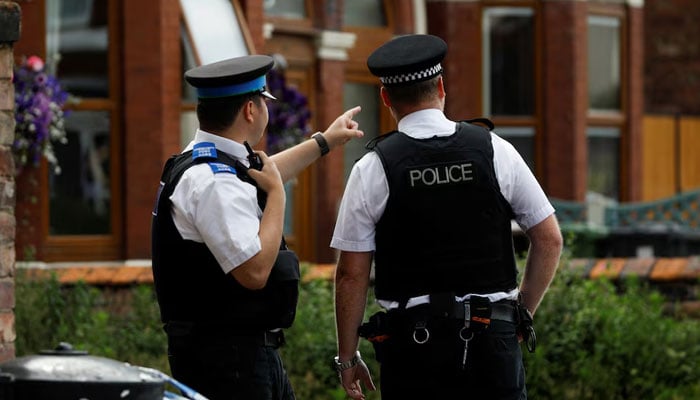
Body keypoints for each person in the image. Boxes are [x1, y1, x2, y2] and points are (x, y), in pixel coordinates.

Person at [331, 34, 563, 400]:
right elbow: (549, 239)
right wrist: (522, 313)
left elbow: (351, 274)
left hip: (413, 351)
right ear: (441, 87)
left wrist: (347, 359)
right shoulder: (495, 150)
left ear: (386, 97)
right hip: (493, 343)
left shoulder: (372, 168)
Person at [151, 54, 363, 400]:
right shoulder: (213, 183)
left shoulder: (207, 160)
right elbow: (254, 270)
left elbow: (259, 175)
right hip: (230, 361)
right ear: (250, 110)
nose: (267, 111)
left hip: (236, 354)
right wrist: (278, 197)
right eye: (265, 102)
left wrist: (326, 140)